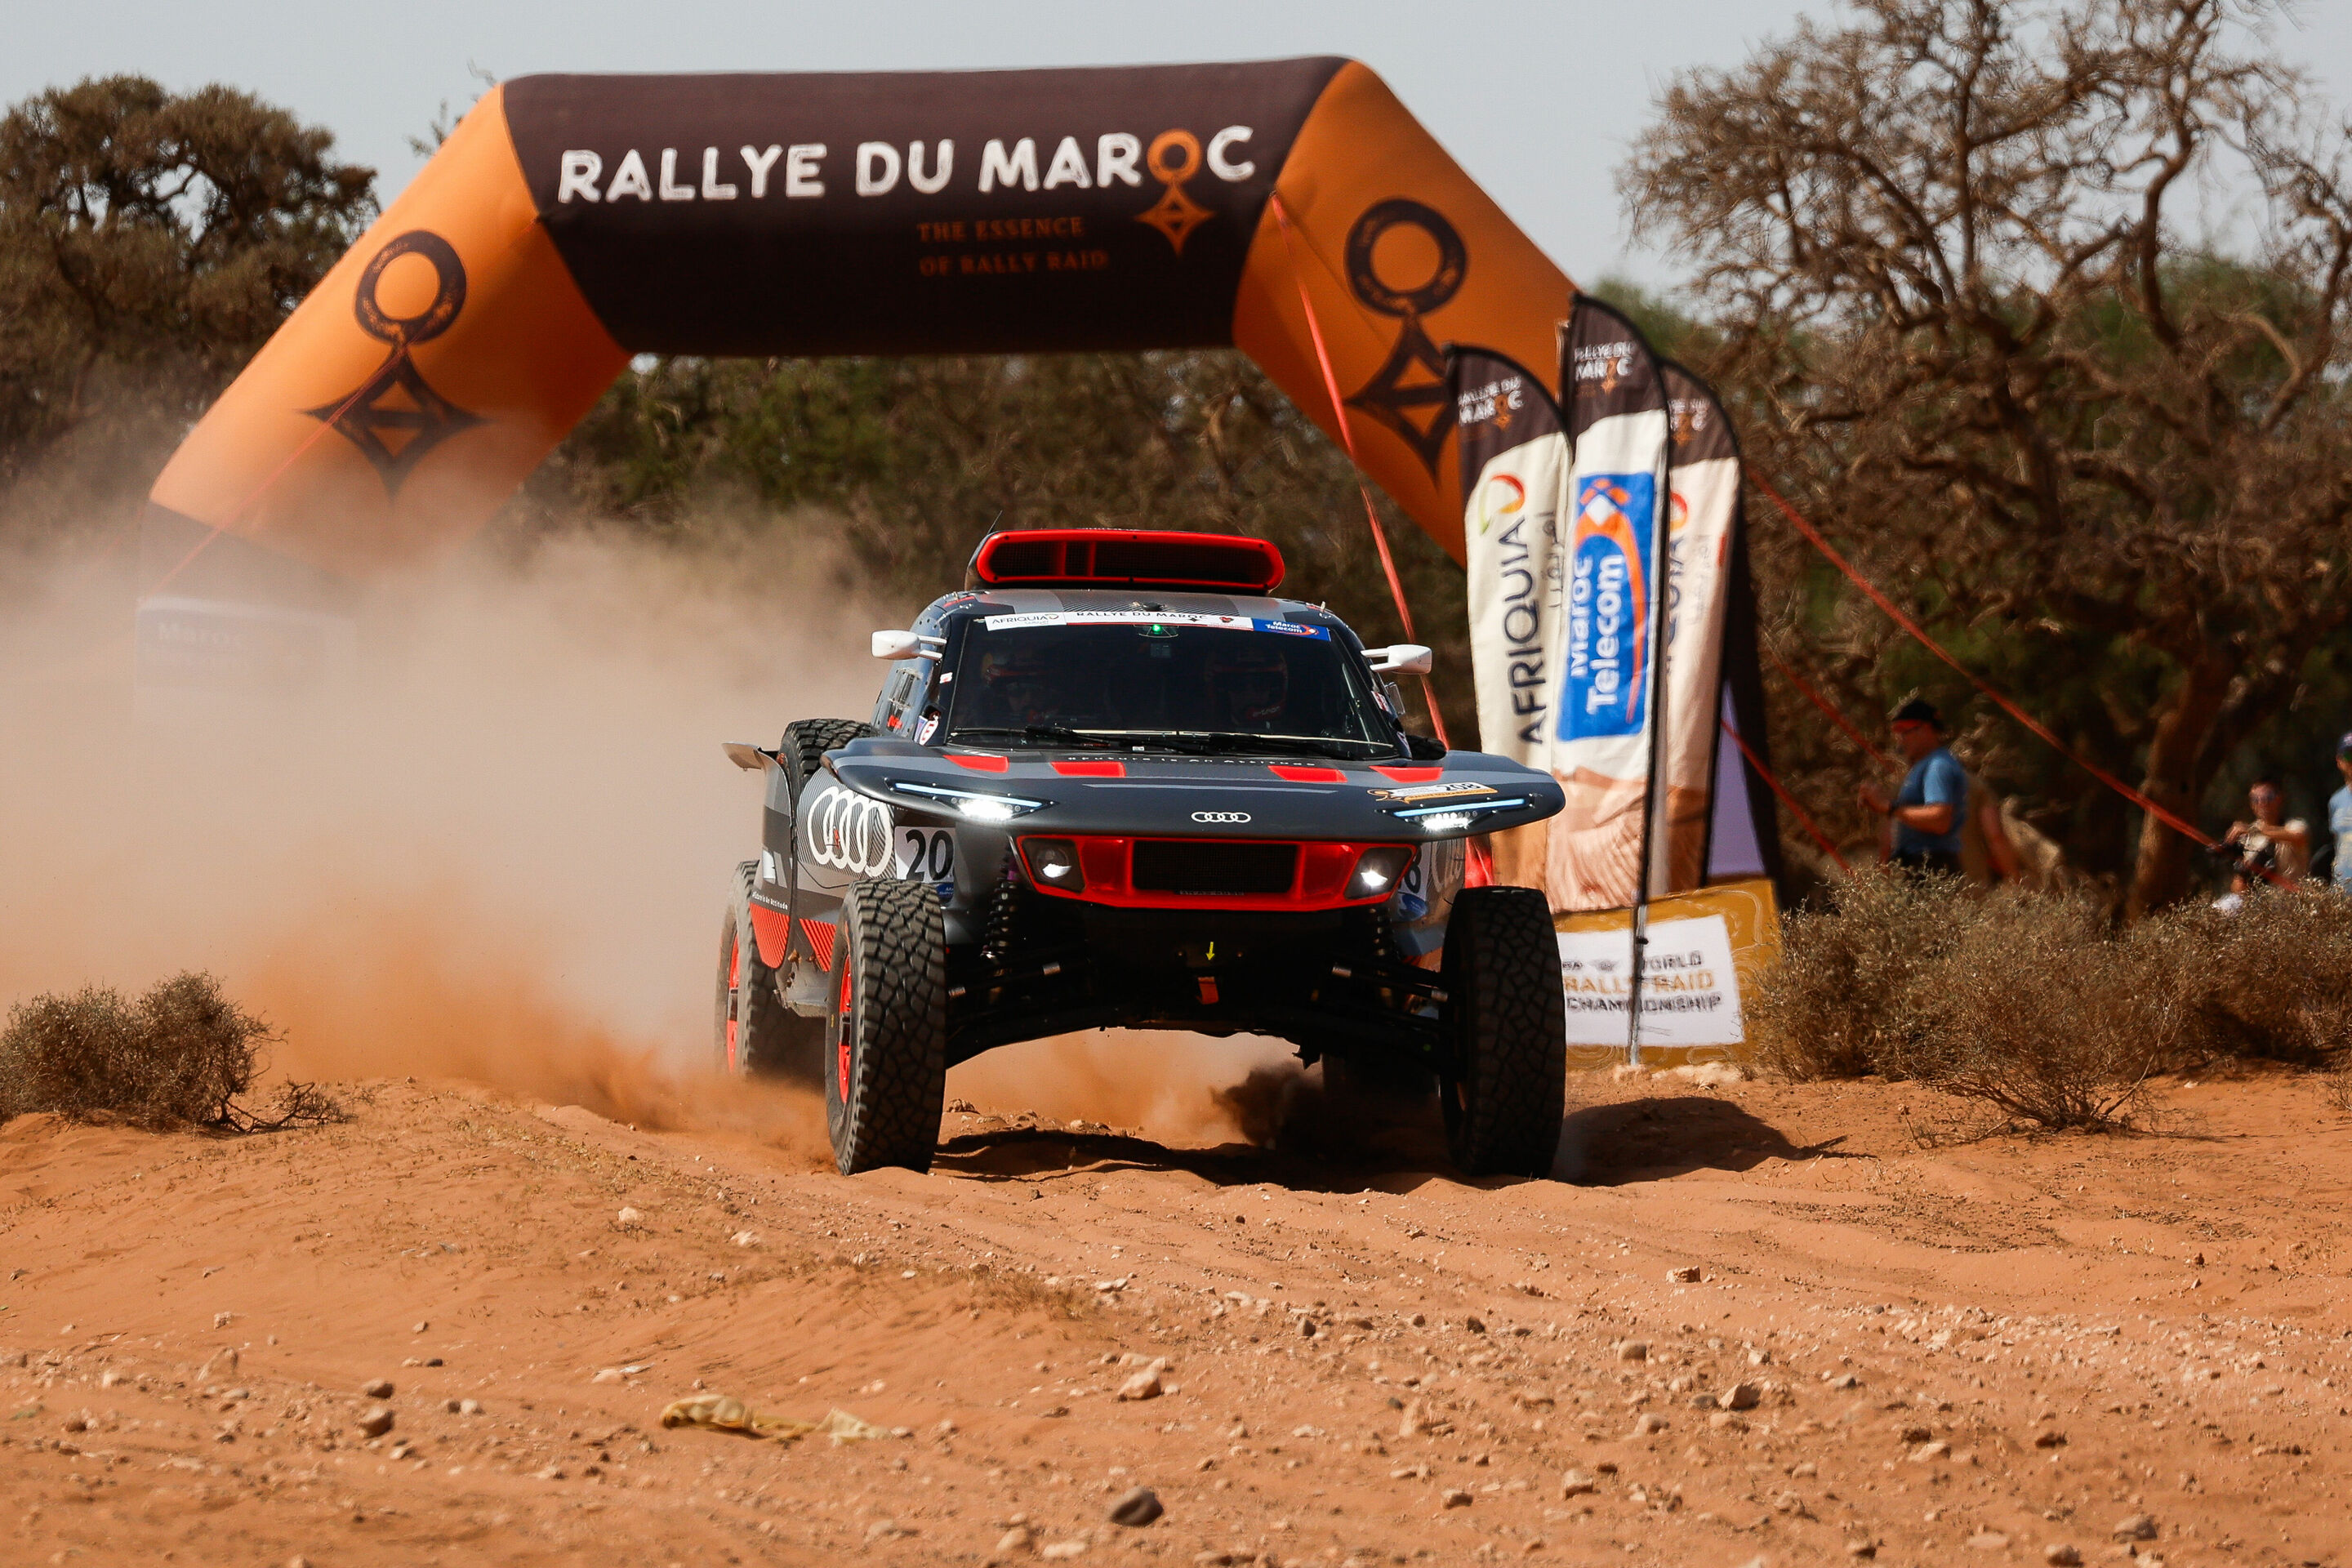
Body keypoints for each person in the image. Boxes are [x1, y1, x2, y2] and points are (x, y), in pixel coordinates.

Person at [1858, 697, 1967, 878]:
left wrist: (1889, 807)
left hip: (1933, 868)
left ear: (1926, 728)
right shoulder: (1924, 766)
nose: (1900, 740)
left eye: (1904, 731)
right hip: (1919, 866)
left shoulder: (1937, 766)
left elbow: (1940, 820)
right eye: (1896, 733)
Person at [2225, 777, 2310, 883]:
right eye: (2256, 799)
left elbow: (2298, 836)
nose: (2262, 803)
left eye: (2269, 797)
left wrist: (2255, 831)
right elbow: (2238, 887)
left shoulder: (2295, 825)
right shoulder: (2248, 837)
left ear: (2279, 799)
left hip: (2292, 891)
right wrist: (2242, 875)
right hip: (2262, 892)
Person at [2332, 732, 2352, 895]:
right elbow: (2337, 843)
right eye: (2349, 756)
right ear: (2339, 761)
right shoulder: (2335, 801)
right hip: (2341, 893)